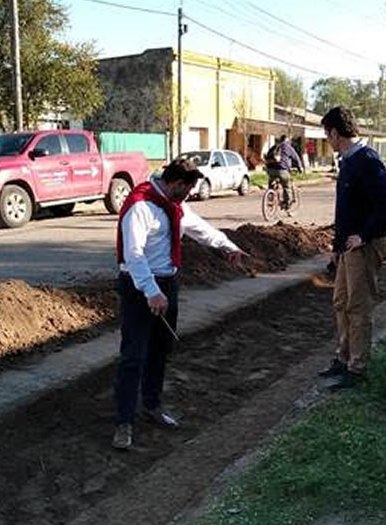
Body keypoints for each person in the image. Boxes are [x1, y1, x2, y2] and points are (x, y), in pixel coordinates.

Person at [113, 158, 246, 450]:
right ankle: (124, 422)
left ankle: (152, 404)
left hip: (167, 284)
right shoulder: (141, 206)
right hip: (139, 287)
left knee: (160, 349)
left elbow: (200, 229)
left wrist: (227, 246)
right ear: (173, 183)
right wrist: (151, 291)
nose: (187, 196)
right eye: (185, 190)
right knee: (133, 354)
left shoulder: (176, 206)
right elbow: (133, 255)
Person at [316, 106, 386, 391]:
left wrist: (363, 236)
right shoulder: (348, 161)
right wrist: (337, 247)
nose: (327, 140)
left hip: (365, 247)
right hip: (347, 249)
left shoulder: (366, 160)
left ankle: (358, 368)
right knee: (341, 302)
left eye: (327, 134)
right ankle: (344, 357)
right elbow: (347, 211)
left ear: (335, 132)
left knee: (358, 306)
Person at [264, 134, 303, 211]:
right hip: (282, 170)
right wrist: (300, 168)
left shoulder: (274, 147)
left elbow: (267, 157)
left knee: (271, 184)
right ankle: (287, 204)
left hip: (270, 170)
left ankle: (270, 199)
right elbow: (296, 158)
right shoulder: (288, 148)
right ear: (287, 140)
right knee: (287, 186)